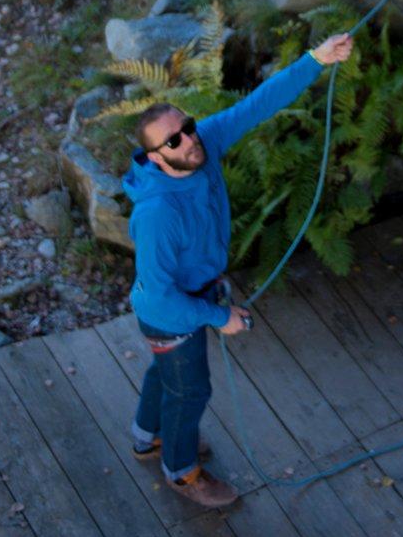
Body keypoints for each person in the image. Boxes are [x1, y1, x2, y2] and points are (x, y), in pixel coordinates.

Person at [124, 31, 354, 509]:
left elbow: (256, 105)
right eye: (174, 140)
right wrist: (218, 317)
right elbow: (157, 297)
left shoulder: (201, 148)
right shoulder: (157, 213)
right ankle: (181, 471)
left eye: (187, 127)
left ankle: (147, 438)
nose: (189, 139)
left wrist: (316, 59)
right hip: (171, 311)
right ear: (155, 157)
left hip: (197, 292)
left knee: (167, 373)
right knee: (190, 391)